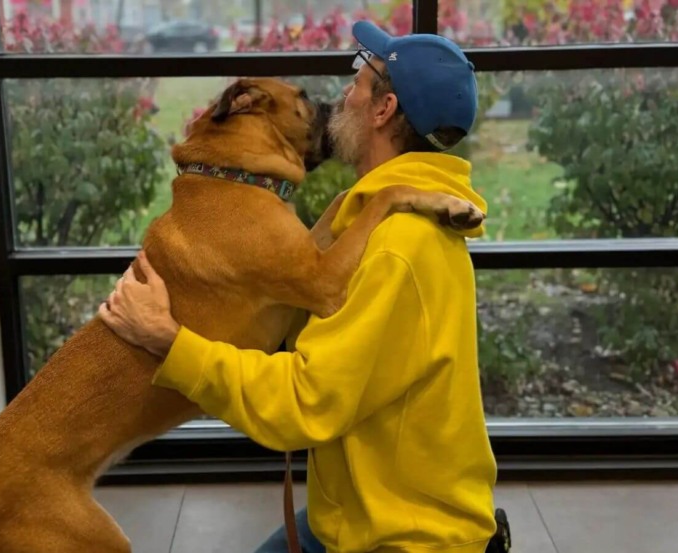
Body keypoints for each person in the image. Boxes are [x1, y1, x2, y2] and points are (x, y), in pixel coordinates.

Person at [99, 20, 511, 553]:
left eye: (360, 78)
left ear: (383, 110)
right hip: (351, 511)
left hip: (404, 536)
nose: (345, 91)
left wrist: (169, 341)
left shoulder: (399, 244)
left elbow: (306, 401)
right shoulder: (378, 216)